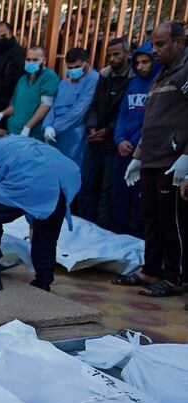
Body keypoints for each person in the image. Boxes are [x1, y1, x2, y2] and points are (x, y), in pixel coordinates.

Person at [120, 21, 188, 302]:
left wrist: (186, 157)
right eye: (153, 43)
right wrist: (137, 157)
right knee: (149, 217)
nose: (154, 49)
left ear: (179, 43)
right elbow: (153, 121)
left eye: (161, 44)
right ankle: (151, 270)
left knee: (171, 222)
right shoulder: (161, 75)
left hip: (172, 161)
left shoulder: (185, 72)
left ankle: (174, 277)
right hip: (151, 158)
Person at [0, 135, 81, 292]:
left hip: (36, 177)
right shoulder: (7, 143)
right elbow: (34, 182)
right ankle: (43, 282)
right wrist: (32, 223)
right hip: (66, 176)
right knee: (46, 230)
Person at [76, 38, 132, 229]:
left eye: (116, 54)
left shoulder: (133, 79)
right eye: (109, 55)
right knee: (87, 184)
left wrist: (108, 130)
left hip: (114, 141)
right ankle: (83, 226)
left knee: (107, 190)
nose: (112, 58)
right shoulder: (104, 76)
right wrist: (91, 127)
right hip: (94, 139)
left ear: (127, 53)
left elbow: (125, 113)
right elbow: (94, 106)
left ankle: (101, 229)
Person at [112, 42, 159, 237]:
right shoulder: (133, 84)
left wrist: (133, 142)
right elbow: (122, 114)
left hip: (142, 151)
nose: (140, 66)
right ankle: (118, 234)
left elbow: (152, 119)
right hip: (123, 148)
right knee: (119, 195)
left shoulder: (159, 84)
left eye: (145, 62)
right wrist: (120, 139)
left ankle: (138, 237)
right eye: (138, 62)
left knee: (139, 198)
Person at [42, 48, 100, 168]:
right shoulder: (64, 82)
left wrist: (55, 128)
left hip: (75, 134)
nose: (73, 70)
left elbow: (79, 110)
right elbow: (54, 106)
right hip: (54, 133)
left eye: (77, 67)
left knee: (70, 170)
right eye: (70, 67)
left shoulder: (93, 79)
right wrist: (47, 125)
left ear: (87, 62)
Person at [0, 45, 59, 138]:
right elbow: (14, 105)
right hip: (15, 130)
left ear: (44, 60)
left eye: (35, 60)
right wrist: (1, 114)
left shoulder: (49, 77)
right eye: (28, 60)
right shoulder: (23, 79)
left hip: (33, 133)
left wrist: (28, 127)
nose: (31, 62)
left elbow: (45, 105)